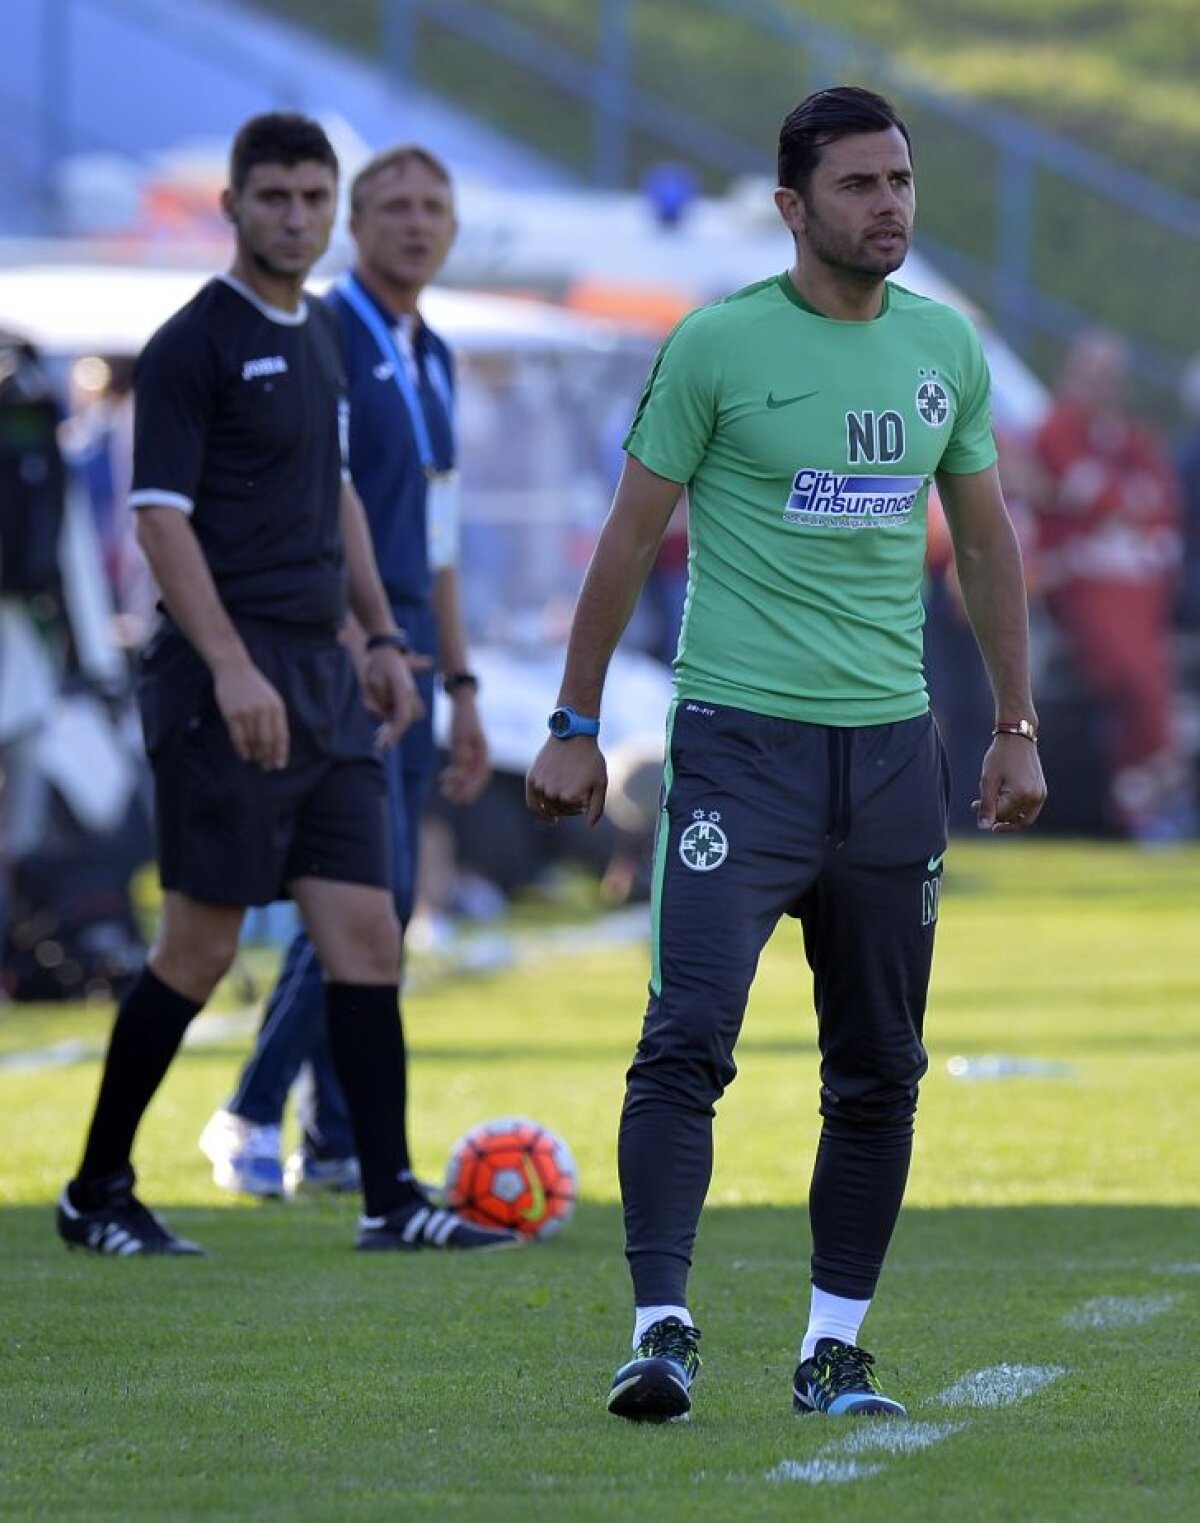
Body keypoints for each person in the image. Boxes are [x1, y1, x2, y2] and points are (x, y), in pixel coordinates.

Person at [526, 86, 1046, 1422]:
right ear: (793, 206)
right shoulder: (715, 346)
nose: (888, 207)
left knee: (880, 1062)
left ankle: (834, 1347)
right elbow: (627, 542)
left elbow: (984, 543)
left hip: (888, 763)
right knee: (687, 1032)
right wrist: (575, 725)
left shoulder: (947, 349)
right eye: (860, 185)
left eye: (900, 182)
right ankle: (660, 1328)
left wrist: (1013, 723)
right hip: (739, 752)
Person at [55, 112, 517, 1256]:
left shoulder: (320, 332)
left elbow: (345, 501)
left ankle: (390, 1193)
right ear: (233, 207)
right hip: (227, 680)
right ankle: (96, 1188)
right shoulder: (192, 343)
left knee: (369, 930)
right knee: (201, 949)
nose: (298, 217)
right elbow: (158, 522)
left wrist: (376, 637)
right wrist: (228, 666)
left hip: (328, 680)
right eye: (278, 199)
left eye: (314, 197)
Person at [198, 144, 490, 1199]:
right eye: (394, 207)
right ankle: (249, 1107)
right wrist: (351, 644)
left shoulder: (436, 352)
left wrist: (461, 685)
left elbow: (443, 534)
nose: (416, 223)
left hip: (416, 651)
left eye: (433, 205)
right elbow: (304, 506)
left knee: (384, 899)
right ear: (352, 225)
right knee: (363, 895)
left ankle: (326, 1137)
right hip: (346, 653)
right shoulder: (320, 331)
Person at [1031, 330, 1188, 841]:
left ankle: (1145, 779)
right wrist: (1117, 507)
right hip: (1074, 579)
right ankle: (1151, 772)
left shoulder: (1131, 438)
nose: (1101, 383)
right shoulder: (1055, 428)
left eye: (1110, 373)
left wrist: (1114, 508)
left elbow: (1158, 507)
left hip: (1131, 579)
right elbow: (1084, 495)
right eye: (1092, 371)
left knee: (1145, 656)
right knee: (1131, 666)